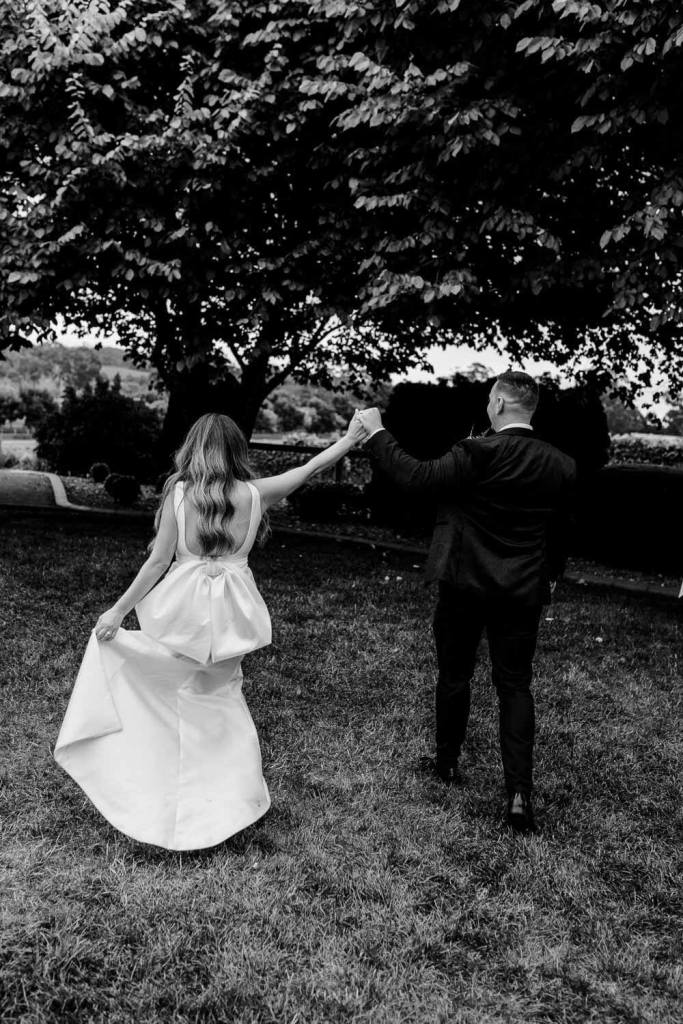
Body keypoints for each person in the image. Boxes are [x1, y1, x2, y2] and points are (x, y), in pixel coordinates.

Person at [54, 412, 366, 851]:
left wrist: (117, 611)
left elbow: (158, 562)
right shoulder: (256, 494)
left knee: (166, 690)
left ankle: (161, 780)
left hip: (182, 613)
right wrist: (350, 438)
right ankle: (229, 799)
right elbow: (310, 468)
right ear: (238, 451)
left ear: (193, 448)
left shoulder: (180, 495)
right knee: (220, 699)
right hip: (231, 618)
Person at [355, 371, 576, 833]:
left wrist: (376, 432)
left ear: (497, 404)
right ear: (529, 408)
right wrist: (550, 577)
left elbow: (417, 478)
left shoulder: (476, 452)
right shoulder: (560, 464)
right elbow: (560, 534)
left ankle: (447, 762)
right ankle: (518, 792)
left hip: (463, 586)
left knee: (455, 675)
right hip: (522, 591)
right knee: (515, 685)